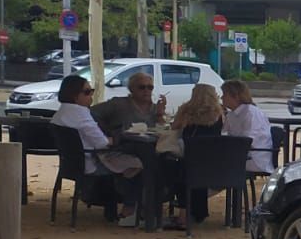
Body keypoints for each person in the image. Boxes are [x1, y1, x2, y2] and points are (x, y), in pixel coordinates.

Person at [49, 73, 143, 226]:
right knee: (139, 164)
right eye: (86, 92)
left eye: (91, 91)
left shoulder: (60, 113)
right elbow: (101, 143)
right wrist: (117, 138)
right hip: (90, 163)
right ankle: (130, 209)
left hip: (71, 164)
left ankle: (121, 206)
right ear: (74, 96)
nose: (91, 95)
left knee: (128, 166)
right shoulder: (81, 113)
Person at [164, 83, 224, 227]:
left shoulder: (186, 110)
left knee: (178, 170)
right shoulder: (218, 113)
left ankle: (183, 216)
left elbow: (174, 128)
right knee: (194, 174)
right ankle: (198, 212)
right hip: (210, 157)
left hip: (189, 153)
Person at [221, 79, 275, 175]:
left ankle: (209, 188)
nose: (221, 97)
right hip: (241, 154)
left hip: (254, 158)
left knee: (214, 163)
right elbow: (223, 134)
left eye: (225, 94)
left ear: (236, 96)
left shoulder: (251, 113)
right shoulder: (231, 114)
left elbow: (247, 141)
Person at [93, 69, 167, 135]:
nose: (146, 90)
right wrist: (104, 134)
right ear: (131, 89)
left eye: (150, 87)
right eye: (142, 87)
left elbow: (162, 132)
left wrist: (160, 115)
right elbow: (92, 113)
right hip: (121, 147)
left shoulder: (155, 108)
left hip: (149, 146)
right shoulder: (118, 104)